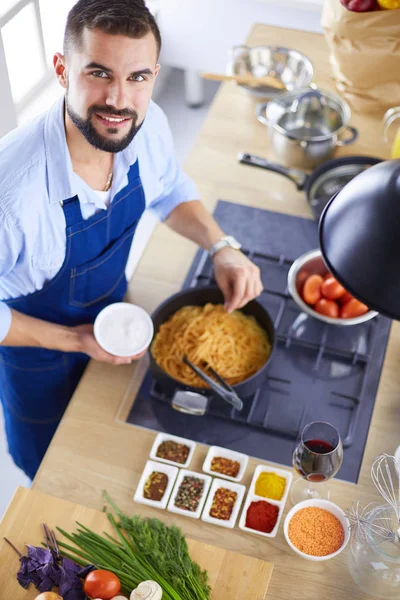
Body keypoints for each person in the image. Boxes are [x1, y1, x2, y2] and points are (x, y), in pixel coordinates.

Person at [0, 0, 263, 480]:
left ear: (155, 75)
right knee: (54, 474)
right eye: (99, 73)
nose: (119, 100)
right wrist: (74, 340)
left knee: (113, 463)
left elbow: (171, 191)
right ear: (62, 70)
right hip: (38, 354)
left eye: (137, 77)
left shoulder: (147, 126)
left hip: (116, 322)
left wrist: (221, 245)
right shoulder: (12, 196)